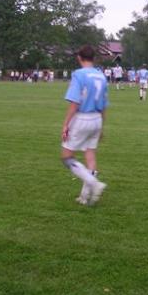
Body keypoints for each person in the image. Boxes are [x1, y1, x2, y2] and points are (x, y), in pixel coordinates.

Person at [60, 45, 108, 206]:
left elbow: (75, 102)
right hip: (97, 119)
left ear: (79, 57)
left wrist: (65, 125)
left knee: (66, 157)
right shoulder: (101, 76)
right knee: (90, 154)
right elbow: (104, 105)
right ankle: (85, 197)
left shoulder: (78, 74)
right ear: (93, 58)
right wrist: (101, 127)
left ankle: (95, 184)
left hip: (82, 118)